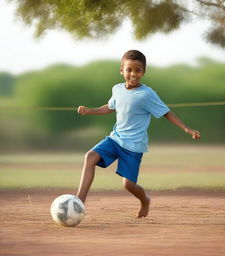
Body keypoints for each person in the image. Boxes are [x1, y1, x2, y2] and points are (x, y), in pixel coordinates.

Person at [76, 50, 200, 218]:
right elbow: (109, 107)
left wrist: (186, 128)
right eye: (129, 70)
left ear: (143, 72)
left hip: (133, 147)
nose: (133, 74)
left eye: (138, 70)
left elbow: (166, 112)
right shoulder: (117, 89)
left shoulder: (147, 94)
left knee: (128, 185)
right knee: (90, 156)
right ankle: (79, 201)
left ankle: (145, 200)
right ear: (122, 70)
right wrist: (89, 111)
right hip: (115, 139)